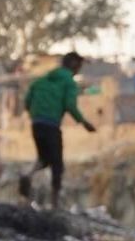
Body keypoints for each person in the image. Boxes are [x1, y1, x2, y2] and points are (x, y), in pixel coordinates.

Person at [19, 52, 96, 210]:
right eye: (79, 66)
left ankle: (28, 174)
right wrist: (84, 122)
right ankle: (55, 203)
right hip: (52, 125)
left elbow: (27, 102)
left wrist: (35, 113)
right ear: (74, 65)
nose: (79, 70)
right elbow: (70, 105)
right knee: (57, 164)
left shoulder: (40, 81)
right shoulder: (69, 82)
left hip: (37, 124)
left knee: (43, 158)